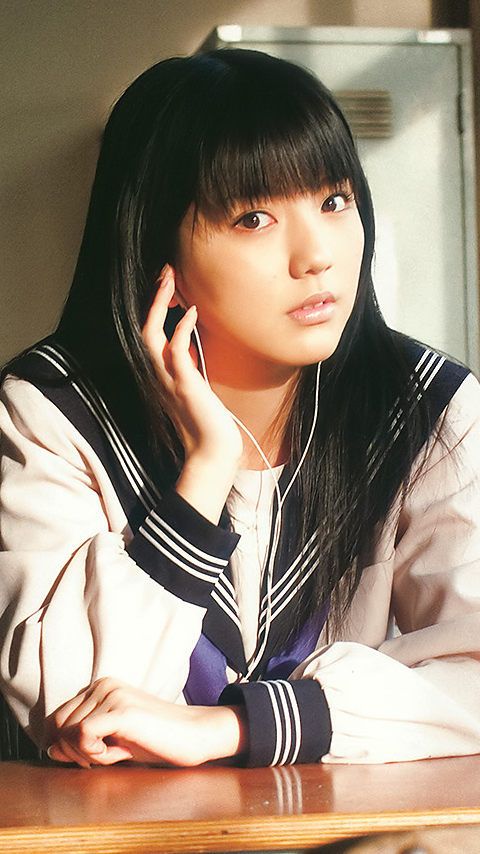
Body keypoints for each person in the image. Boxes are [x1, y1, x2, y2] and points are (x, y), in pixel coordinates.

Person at [1, 48, 480, 769]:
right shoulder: (54, 414)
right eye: (255, 218)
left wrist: (237, 727)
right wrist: (204, 476)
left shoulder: (425, 410)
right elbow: (73, 713)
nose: (315, 256)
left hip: (350, 826)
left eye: (334, 201)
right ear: (156, 247)